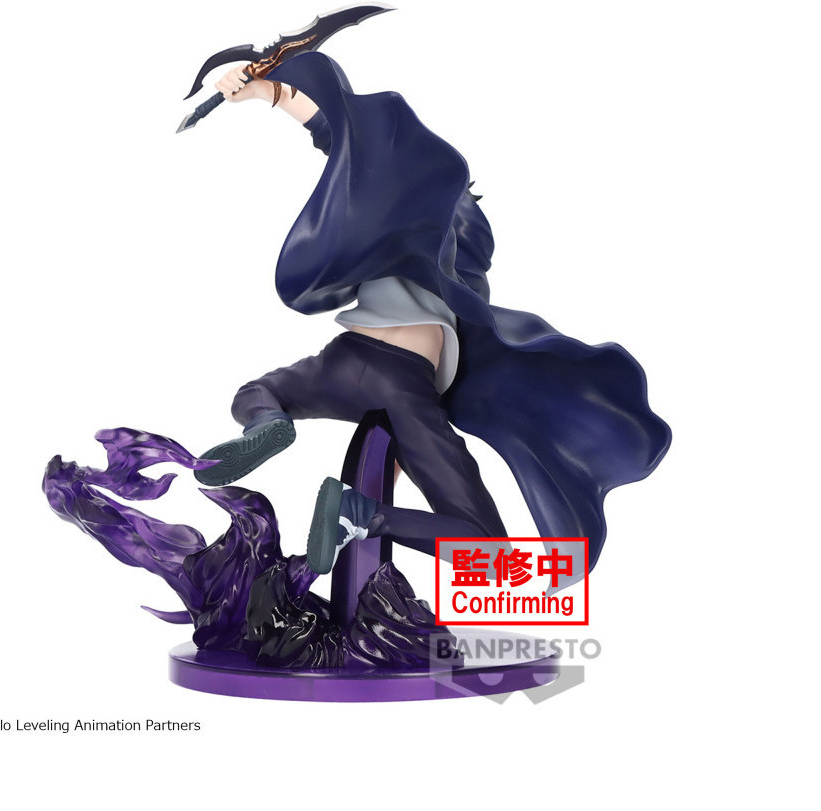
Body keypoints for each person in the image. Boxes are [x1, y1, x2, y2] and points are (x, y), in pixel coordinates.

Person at [197, 53, 671, 579]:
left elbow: (342, 137)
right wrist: (272, 91)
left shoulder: (417, 233)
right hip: (405, 384)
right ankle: (361, 515)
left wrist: (272, 95)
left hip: (338, 365)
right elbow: (345, 139)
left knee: (258, 392)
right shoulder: (449, 254)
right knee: (489, 554)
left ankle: (269, 423)